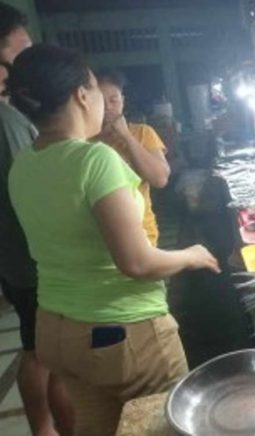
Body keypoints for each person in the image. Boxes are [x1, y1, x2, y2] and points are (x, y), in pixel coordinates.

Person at [7, 44, 221, 436]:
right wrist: (191, 255)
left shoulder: (25, 163)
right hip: (121, 333)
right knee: (166, 426)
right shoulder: (93, 160)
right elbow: (136, 262)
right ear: (80, 95)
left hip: (56, 331)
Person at [0, 5, 73, 436]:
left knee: (39, 349)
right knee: (47, 355)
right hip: (30, 262)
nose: (29, 58)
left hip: (16, 261)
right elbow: (23, 198)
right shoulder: (7, 120)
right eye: (22, 48)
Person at [95, 69, 170, 246]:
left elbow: (159, 179)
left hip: (143, 232)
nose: (108, 107)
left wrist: (127, 137)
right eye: (100, 101)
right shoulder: (84, 140)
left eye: (114, 100)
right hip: (101, 237)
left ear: (123, 100)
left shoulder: (142, 132)